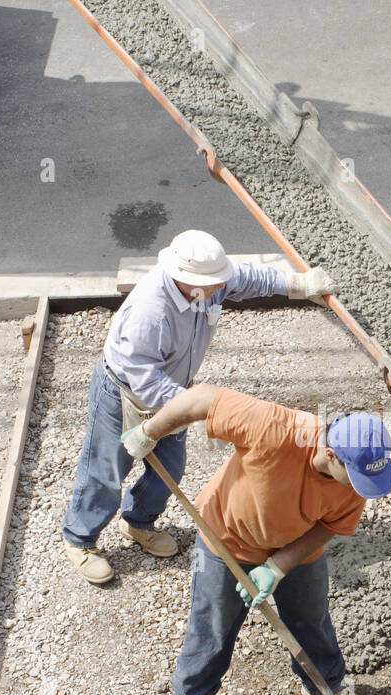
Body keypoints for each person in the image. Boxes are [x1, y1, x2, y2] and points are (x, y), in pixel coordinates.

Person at [122, 384, 391, 695]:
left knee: (311, 616)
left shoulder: (357, 482)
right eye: (358, 478)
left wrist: (278, 566)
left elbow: (330, 526)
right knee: (214, 622)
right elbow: (202, 397)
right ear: (330, 455)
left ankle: (325, 686)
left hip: (294, 544)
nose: (364, 489)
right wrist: (149, 431)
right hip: (227, 538)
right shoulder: (275, 428)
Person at [61, 229, 338, 584]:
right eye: (211, 285)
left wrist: (297, 284)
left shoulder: (210, 283)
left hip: (177, 389)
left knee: (169, 469)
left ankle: (140, 523)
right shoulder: (150, 312)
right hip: (125, 391)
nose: (218, 291)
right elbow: (144, 378)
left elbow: (248, 278)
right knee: (108, 468)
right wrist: (196, 408)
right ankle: (80, 539)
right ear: (181, 278)